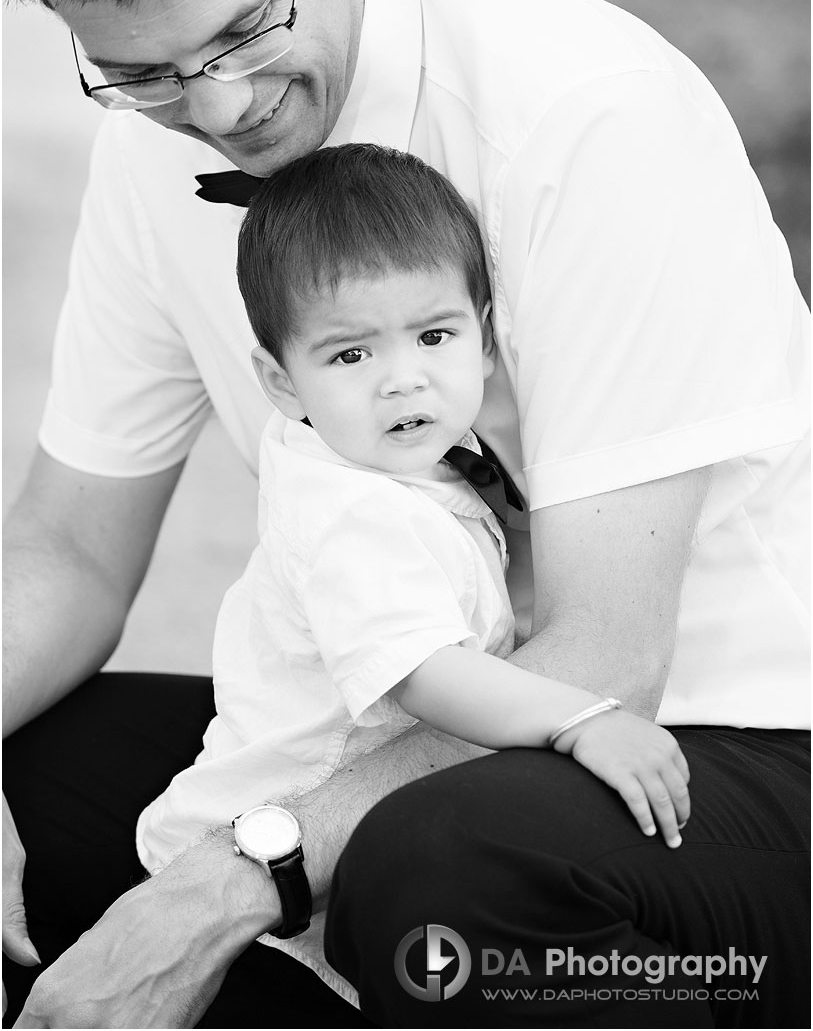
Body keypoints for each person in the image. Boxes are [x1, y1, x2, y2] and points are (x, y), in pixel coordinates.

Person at [2, 0, 808, 1029]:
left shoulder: (587, 119)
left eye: (243, 31)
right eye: (149, 71)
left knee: (439, 868)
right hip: (395, 730)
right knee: (33, 771)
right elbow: (67, 547)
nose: (218, 107)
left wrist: (241, 873)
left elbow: (606, 661)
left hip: (719, 747)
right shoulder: (150, 155)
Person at [135, 141, 692, 1001]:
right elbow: (429, 678)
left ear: (484, 344)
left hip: (352, 838)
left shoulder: (415, 459)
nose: (403, 380)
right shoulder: (350, 512)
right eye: (350, 356)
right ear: (282, 385)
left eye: (433, 336)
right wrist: (579, 717)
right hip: (270, 867)